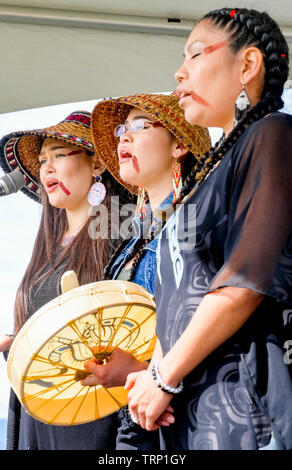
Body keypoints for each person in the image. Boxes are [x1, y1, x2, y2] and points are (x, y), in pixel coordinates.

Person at [125, 8, 292, 450]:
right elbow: (180, 296)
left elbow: (244, 280)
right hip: (187, 402)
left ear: (247, 65)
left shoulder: (272, 134)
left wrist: (163, 375)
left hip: (241, 399)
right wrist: (156, 379)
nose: (180, 72)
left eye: (195, 54)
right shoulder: (210, 170)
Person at [0, 110, 134, 450]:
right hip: (37, 411)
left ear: (98, 164)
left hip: (92, 415)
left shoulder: (123, 237)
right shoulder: (47, 247)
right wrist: (14, 342)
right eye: (42, 161)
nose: (47, 169)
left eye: (58, 155)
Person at [82, 92, 211, 449]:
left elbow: (212, 324)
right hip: (132, 416)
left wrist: (140, 370)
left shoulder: (195, 224)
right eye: (123, 129)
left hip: (181, 417)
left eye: (139, 126)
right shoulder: (131, 241)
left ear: (180, 146)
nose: (124, 136)